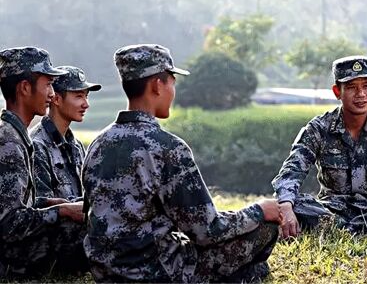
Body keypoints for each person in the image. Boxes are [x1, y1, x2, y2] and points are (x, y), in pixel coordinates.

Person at [82, 44, 282, 282]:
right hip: (156, 273)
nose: (173, 90)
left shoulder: (97, 144)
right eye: (172, 82)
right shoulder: (168, 147)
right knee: (265, 228)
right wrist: (259, 210)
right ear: (157, 85)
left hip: (105, 273)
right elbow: (207, 231)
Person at [272, 55, 367, 237]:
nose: (361, 94)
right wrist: (286, 206)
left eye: (366, 86)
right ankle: (351, 229)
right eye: (352, 87)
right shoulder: (319, 128)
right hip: (331, 212)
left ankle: (348, 230)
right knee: (285, 205)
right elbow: (291, 171)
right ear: (337, 91)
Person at [0, 47, 87, 278]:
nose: (51, 94)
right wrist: (62, 211)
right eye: (47, 84)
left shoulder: (16, 136)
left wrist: (48, 202)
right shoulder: (8, 142)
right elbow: (9, 223)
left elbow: (17, 204)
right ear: (25, 88)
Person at [30, 66, 101, 201]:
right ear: (56, 99)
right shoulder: (37, 146)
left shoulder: (76, 146)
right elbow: (42, 207)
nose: (86, 104)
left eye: (86, 96)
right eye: (79, 96)